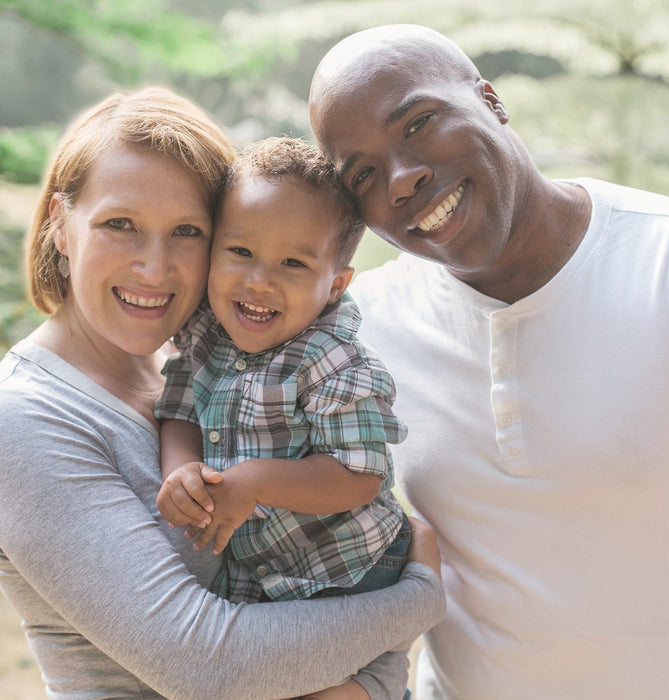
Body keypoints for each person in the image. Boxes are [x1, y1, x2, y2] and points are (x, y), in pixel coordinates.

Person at [0, 86, 446, 700]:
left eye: (187, 231)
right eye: (119, 224)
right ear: (60, 225)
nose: (155, 268)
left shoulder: (201, 367)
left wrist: (371, 682)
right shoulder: (25, 420)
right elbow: (212, 666)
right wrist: (418, 599)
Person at [308, 23, 669, 700]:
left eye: (420, 123)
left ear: (490, 101)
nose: (403, 179)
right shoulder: (356, 333)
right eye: (364, 174)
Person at [155, 136, 410, 609]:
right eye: (241, 252)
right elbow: (180, 411)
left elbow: (359, 476)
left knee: (327, 682)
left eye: (293, 262)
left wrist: (255, 481)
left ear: (334, 285)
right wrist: (181, 469)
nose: (259, 281)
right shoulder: (206, 334)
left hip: (350, 567)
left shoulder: (335, 360)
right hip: (263, 576)